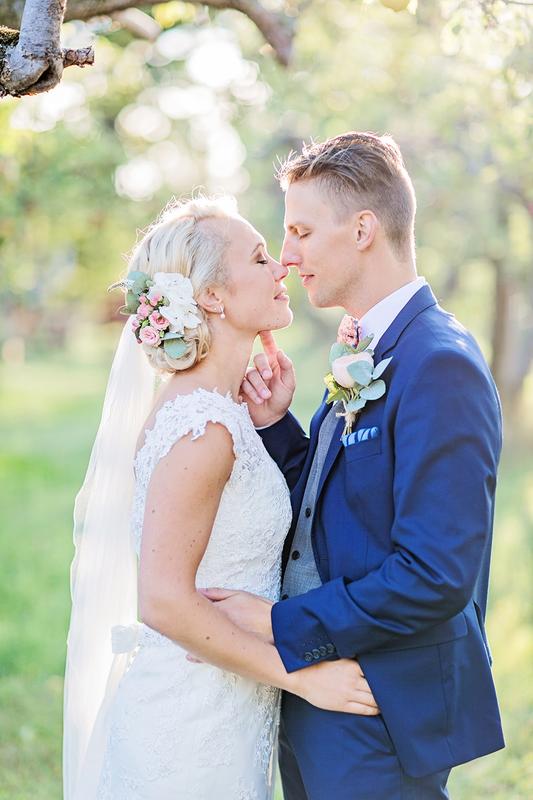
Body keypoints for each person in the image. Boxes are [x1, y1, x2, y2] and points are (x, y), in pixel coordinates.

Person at [201, 132, 505, 799]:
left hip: (380, 705)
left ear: (363, 229)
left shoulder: (438, 363)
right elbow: (346, 507)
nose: (287, 257)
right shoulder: (372, 347)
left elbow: (434, 574)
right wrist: (280, 429)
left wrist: (278, 625)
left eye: (302, 232)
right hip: (319, 690)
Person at [62, 196, 379, 800]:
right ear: (211, 296)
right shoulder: (201, 427)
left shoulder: (225, 412)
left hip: (227, 706)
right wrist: (304, 678)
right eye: (259, 258)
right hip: (187, 725)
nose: (282, 265)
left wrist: (273, 422)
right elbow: (163, 601)